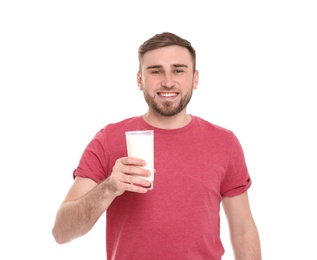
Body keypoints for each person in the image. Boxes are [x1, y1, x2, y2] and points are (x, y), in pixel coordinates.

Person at [52, 32, 262, 259]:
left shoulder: (224, 143)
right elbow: (62, 232)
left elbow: (242, 229)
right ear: (140, 80)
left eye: (179, 70)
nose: (168, 81)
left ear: (195, 79)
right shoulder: (109, 139)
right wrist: (109, 188)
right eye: (156, 71)